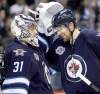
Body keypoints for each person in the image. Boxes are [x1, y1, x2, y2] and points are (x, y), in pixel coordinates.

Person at [47, 9, 100, 94]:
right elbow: (44, 63)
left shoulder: (89, 37)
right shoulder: (57, 45)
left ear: (71, 25)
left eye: (60, 28)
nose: (58, 33)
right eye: (56, 29)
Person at [1, 14, 53, 94]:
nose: (36, 32)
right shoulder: (19, 51)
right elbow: (15, 89)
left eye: (36, 28)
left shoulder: (35, 51)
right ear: (20, 29)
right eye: (32, 28)